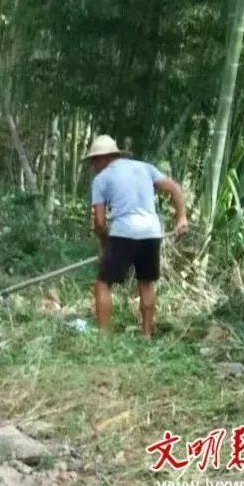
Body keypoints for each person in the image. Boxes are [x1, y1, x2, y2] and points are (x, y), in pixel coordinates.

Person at [86, 134, 188, 338]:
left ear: (102, 158)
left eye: (93, 161)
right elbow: (175, 188)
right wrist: (182, 219)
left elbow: (99, 222)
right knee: (146, 282)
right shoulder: (145, 167)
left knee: (103, 283)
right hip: (151, 231)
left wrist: (105, 243)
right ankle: (146, 334)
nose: (93, 166)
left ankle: (103, 336)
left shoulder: (101, 179)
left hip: (124, 231)